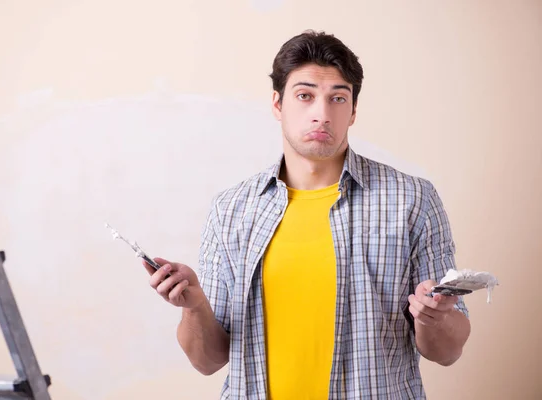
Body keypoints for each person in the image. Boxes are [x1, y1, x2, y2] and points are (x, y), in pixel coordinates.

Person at [143, 30, 471, 400]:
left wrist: (434, 316)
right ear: (277, 104)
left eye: (337, 98)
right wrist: (195, 306)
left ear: (353, 111)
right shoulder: (231, 209)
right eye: (305, 96)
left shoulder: (412, 199)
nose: (322, 113)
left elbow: (447, 352)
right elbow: (208, 361)